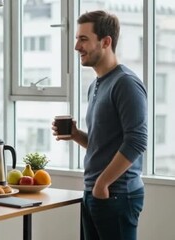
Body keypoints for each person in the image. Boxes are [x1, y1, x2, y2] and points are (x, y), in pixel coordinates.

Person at [52, 10, 147, 240]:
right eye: (77, 39)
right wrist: (76, 135)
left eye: (83, 39)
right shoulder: (96, 84)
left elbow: (137, 141)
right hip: (96, 193)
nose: (76, 47)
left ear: (106, 42)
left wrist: (102, 185)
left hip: (116, 194)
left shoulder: (125, 83)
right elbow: (103, 144)